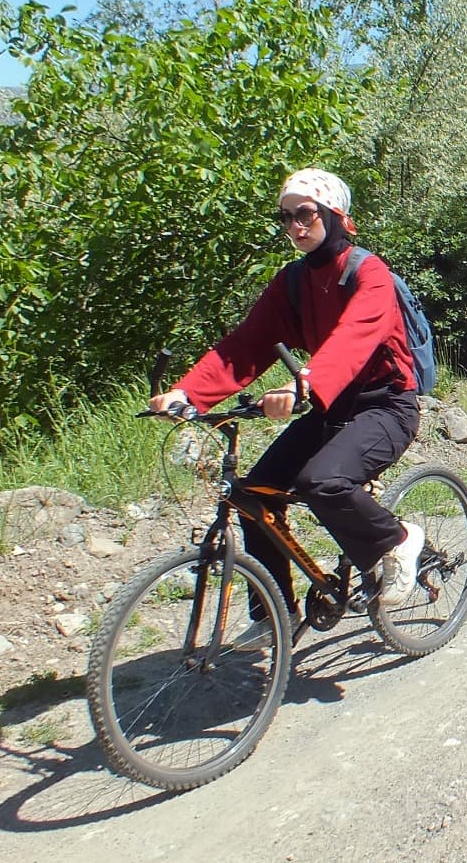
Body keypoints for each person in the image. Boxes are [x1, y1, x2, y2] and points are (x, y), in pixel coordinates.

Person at [148, 168, 425, 643]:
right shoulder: (292, 282)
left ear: (335, 215)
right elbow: (246, 346)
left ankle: (398, 541)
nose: (296, 225)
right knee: (255, 495)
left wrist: (303, 385)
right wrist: (187, 393)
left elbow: (353, 339)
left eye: (306, 214)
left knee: (321, 482)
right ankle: (276, 614)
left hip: (385, 404)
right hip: (330, 405)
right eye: (286, 216)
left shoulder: (368, 272)